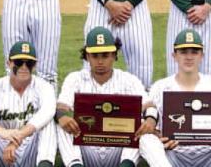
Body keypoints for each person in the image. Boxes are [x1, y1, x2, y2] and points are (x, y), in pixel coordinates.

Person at [139, 29, 211, 167]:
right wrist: (159, 137)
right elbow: (148, 125)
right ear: (174, 55)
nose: (189, 57)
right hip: (174, 154)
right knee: (146, 139)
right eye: (183, 52)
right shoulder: (160, 86)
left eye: (194, 51)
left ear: (201, 55)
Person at [55, 26, 156, 167]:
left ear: (114, 55)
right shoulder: (75, 78)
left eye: (105, 55)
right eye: (95, 56)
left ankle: (126, 165)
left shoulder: (128, 79)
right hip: (86, 147)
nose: (100, 61)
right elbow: (61, 106)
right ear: (87, 56)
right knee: (62, 124)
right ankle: (75, 164)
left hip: (118, 147)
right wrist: (62, 116)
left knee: (140, 122)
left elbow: (148, 105)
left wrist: (151, 120)